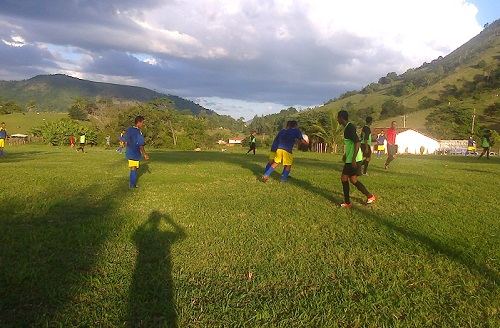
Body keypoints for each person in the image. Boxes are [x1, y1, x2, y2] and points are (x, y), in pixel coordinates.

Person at [337, 110, 376, 207]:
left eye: (338, 117)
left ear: (342, 118)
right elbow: (351, 143)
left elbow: (357, 142)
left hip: (353, 159)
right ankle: (370, 196)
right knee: (353, 180)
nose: (337, 119)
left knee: (344, 178)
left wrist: (353, 159)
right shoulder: (348, 127)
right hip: (351, 157)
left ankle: (347, 202)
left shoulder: (349, 128)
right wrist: (346, 154)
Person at [126, 116, 150, 188]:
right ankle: (132, 185)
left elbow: (126, 139)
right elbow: (140, 145)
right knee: (134, 168)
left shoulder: (129, 129)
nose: (143, 124)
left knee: (134, 167)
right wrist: (145, 154)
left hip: (129, 151)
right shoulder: (138, 132)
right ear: (138, 123)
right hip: (134, 152)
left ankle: (132, 183)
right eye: (142, 123)